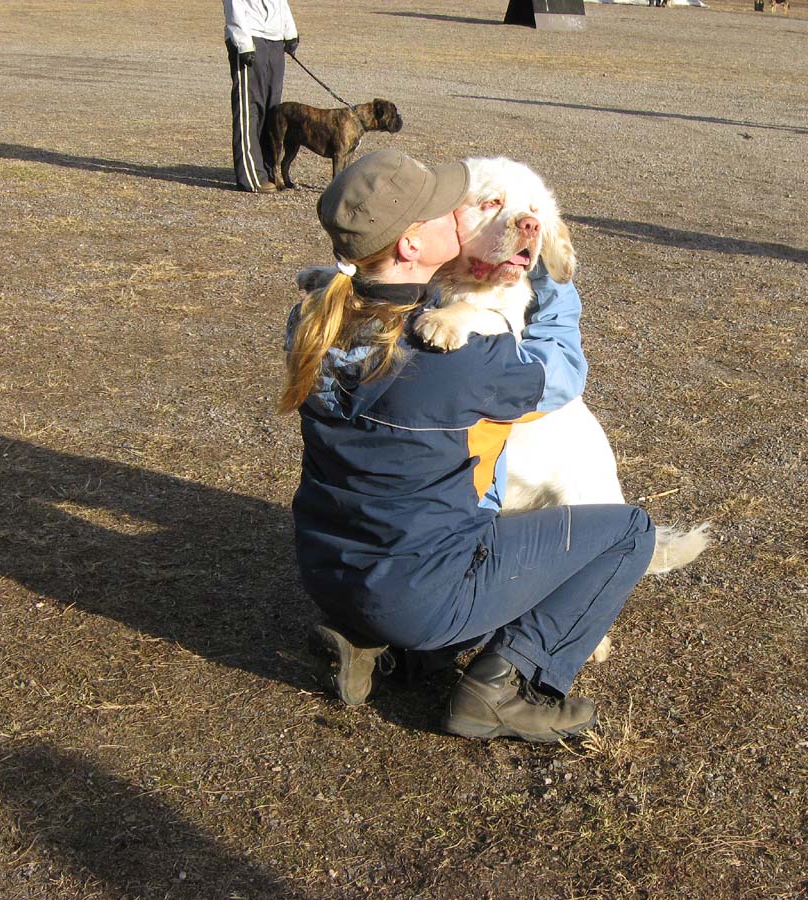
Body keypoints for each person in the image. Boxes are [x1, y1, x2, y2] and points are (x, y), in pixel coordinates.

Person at [278, 149, 657, 743]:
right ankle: (499, 691)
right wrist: (548, 274)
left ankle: (373, 644)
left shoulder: (312, 320)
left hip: (327, 571)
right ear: (411, 244)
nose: (456, 219)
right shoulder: (461, 357)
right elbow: (561, 372)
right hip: (419, 595)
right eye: (443, 212)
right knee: (631, 530)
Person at [223, 0, 299, 192]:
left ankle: (270, 170)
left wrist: (290, 32)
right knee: (250, 108)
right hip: (250, 37)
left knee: (273, 110)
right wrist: (243, 43)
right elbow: (234, 7)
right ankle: (252, 177)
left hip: (275, 40)